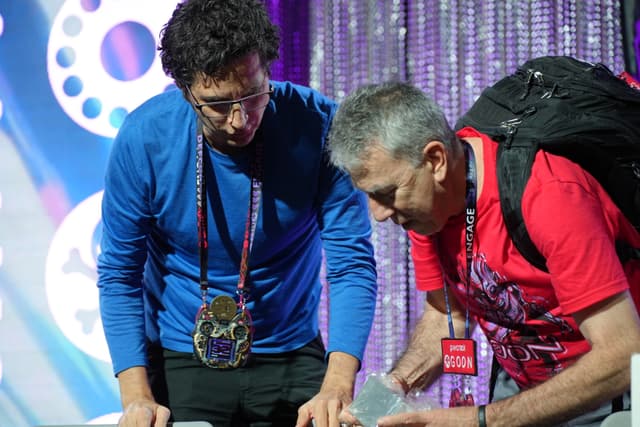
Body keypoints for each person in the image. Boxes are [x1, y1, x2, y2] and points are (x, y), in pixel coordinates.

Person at [96, 1, 378, 426]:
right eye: (217, 104)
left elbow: (351, 264)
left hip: (291, 350)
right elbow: (120, 273)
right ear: (185, 89)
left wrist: (338, 383)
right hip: (180, 354)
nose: (239, 119)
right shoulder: (144, 139)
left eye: (253, 94)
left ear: (267, 69)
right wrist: (135, 395)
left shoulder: (320, 125)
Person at [327, 81, 640, 426]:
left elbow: (624, 354)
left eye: (386, 193)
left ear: (436, 159)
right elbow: (447, 314)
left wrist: (479, 420)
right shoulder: (429, 211)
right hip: (521, 392)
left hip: (606, 394)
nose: (378, 213)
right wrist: (385, 397)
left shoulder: (548, 194)